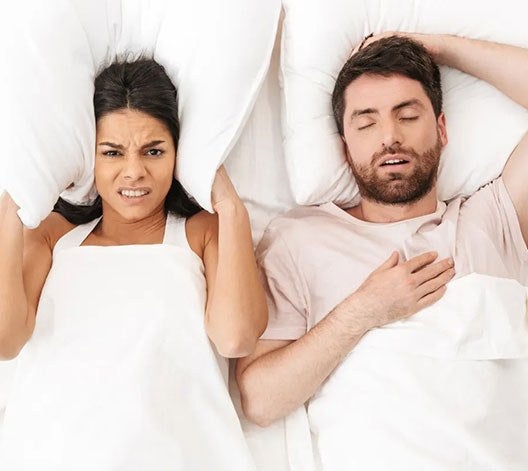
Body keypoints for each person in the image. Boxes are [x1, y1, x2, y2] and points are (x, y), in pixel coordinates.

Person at [237, 34, 528, 469]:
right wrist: (365, 310)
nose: (390, 137)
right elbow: (260, 401)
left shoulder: (491, 221)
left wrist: (440, 47)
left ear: (442, 129)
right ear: (344, 147)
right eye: (366, 123)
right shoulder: (300, 239)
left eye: (407, 116)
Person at [0, 58, 267, 470]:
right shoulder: (53, 235)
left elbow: (236, 338)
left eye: (153, 151)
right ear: (89, 157)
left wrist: (230, 205)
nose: (134, 173)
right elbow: (5, 340)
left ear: (178, 154)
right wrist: (11, 209)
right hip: (53, 451)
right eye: (112, 153)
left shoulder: (203, 232)